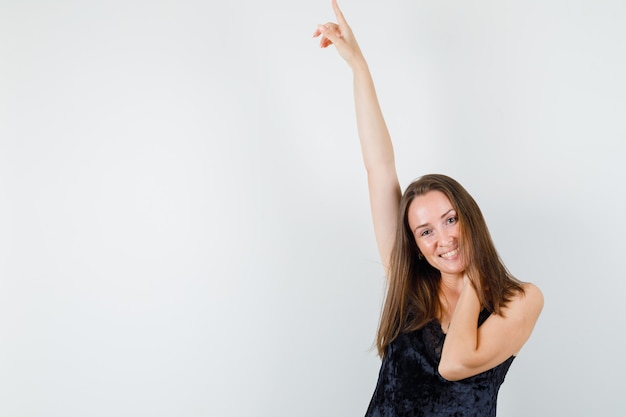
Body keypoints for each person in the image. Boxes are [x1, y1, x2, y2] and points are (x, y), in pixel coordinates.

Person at [313, 1, 544, 416]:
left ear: (469, 217)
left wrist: (474, 280)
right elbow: (380, 170)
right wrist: (359, 67)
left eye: (450, 220)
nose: (444, 239)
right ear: (416, 244)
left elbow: (454, 363)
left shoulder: (521, 300)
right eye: (425, 232)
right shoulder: (409, 285)